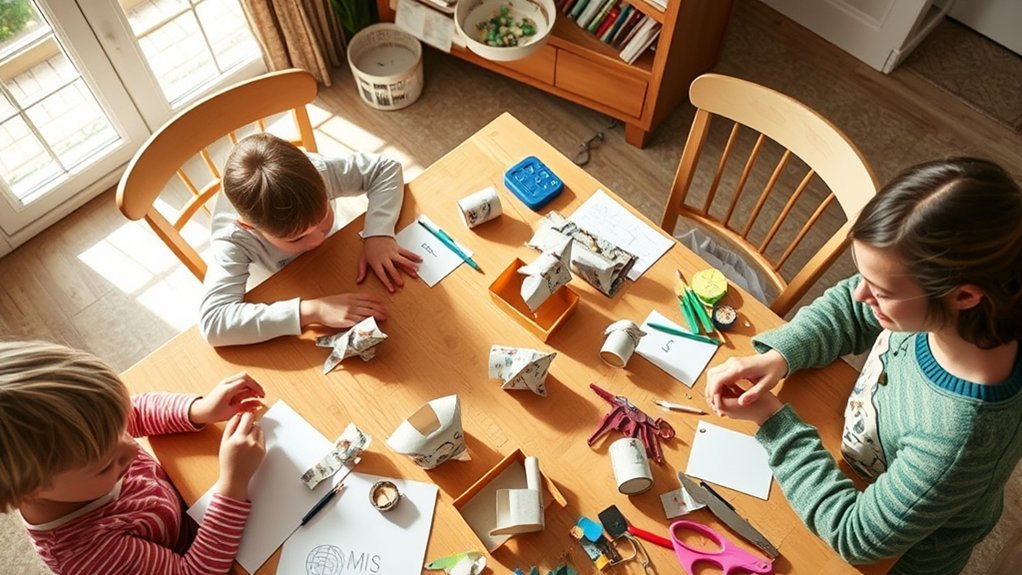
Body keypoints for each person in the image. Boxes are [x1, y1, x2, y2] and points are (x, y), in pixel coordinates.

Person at [704, 157, 1022, 575]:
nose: (861, 296)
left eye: (882, 291)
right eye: (864, 277)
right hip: (861, 459)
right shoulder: (945, 310)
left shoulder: (961, 437)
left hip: (900, 559)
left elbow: (855, 537)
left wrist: (772, 421)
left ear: (964, 296)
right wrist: (779, 356)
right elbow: (850, 308)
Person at [0, 340, 267, 575]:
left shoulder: (79, 454)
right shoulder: (88, 554)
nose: (131, 448)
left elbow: (135, 411)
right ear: (33, 488)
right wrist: (233, 483)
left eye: (121, 429)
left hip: (188, 507)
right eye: (106, 465)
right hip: (195, 548)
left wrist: (199, 409)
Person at [200, 133, 421, 346]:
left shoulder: (319, 173)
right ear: (250, 228)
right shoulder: (233, 239)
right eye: (297, 239)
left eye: (324, 218)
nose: (317, 240)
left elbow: (386, 168)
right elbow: (213, 322)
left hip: (335, 262)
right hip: (283, 282)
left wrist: (378, 232)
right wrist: (312, 311)